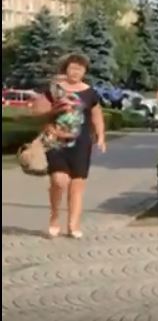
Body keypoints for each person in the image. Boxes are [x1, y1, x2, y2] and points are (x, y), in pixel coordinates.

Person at [32, 53, 106, 239]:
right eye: (72, 68)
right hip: (56, 141)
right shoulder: (54, 89)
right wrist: (54, 109)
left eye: (80, 69)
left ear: (85, 71)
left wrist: (101, 137)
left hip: (81, 143)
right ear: (66, 69)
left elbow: (96, 115)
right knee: (59, 181)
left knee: (77, 185)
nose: (75, 72)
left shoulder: (90, 93)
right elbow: (37, 111)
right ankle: (54, 217)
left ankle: (73, 224)